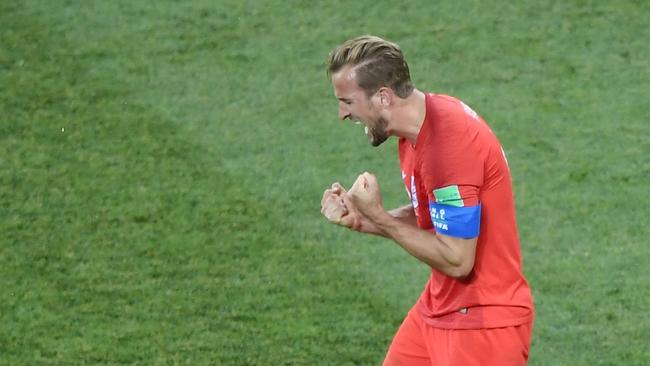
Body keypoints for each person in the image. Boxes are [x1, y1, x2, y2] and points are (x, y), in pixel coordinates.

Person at [320, 35, 534, 366]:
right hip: (441, 308)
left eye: (348, 102)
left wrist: (381, 215)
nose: (342, 114)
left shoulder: (448, 148)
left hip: (482, 324)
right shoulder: (418, 128)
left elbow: (458, 259)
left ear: (382, 97)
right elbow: (437, 217)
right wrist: (365, 219)